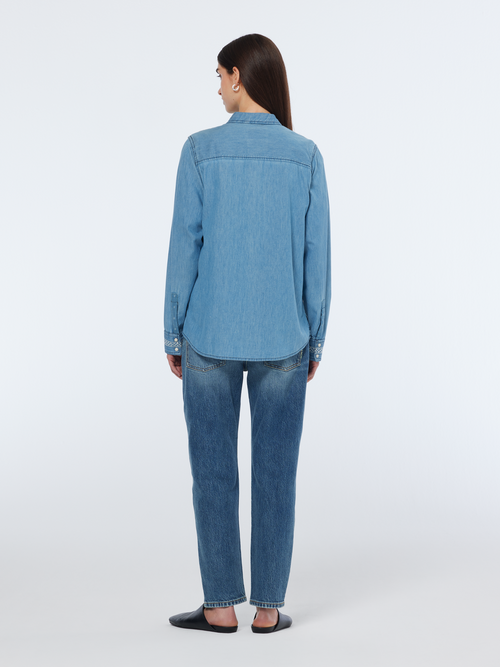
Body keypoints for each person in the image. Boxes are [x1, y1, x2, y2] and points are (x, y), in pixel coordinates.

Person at [163, 33, 331, 634]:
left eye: (219, 76)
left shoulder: (200, 151)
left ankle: (218, 607)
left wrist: (172, 332)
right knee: (276, 474)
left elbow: (184, 248)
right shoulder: (305, 156)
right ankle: (267, 609)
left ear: (238, 75)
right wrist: (314, 337)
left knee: (212, 474)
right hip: (284, 336)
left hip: (209, 333)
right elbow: (317, 256)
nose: (217, 88)